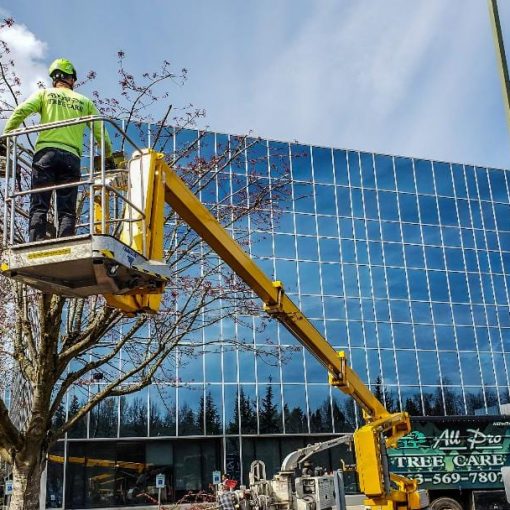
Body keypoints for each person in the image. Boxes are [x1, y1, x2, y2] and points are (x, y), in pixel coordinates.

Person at [2, 58, 113, 242]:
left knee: (39, 205)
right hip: (71, 159)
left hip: (45, 155)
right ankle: (66, 242)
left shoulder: (45, 95)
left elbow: (22, 111)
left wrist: (7, 136)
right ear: (72, 80)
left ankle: (35, 242)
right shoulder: (84, 102)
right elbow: (101, 130)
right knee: (67, 209)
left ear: (54, 79)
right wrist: (107, 155)